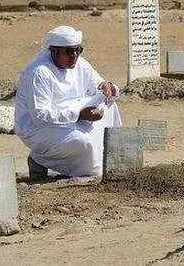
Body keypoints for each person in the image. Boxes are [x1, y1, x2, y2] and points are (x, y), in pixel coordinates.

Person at [14, 26, 122, 179]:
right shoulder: (39, 72)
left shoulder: (80, 64)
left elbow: (99, 87)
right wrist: (79, 115)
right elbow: (40, 115)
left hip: (71, 115)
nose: (74, 56)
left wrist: (109, 87)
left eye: (78, 50)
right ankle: (40, 159)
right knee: (81, 141)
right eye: (69, 51)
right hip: (38, 128)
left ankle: (108, 162)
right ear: (54, 51)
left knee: (109, 105)